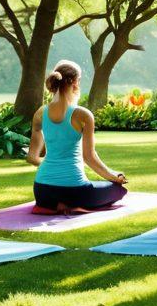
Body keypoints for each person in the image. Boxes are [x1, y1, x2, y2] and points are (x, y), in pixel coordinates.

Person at [26, 60, 127, 213]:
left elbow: (32, 157)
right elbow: (89, 157)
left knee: (54, 196)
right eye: (79, 80)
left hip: (42, 192)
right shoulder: (83, 115)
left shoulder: (40, 113)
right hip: (75, 190)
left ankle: (58, 205)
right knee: (119, 191)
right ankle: (71, 204)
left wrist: (54, 168)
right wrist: (114, 177)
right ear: (74, 82)